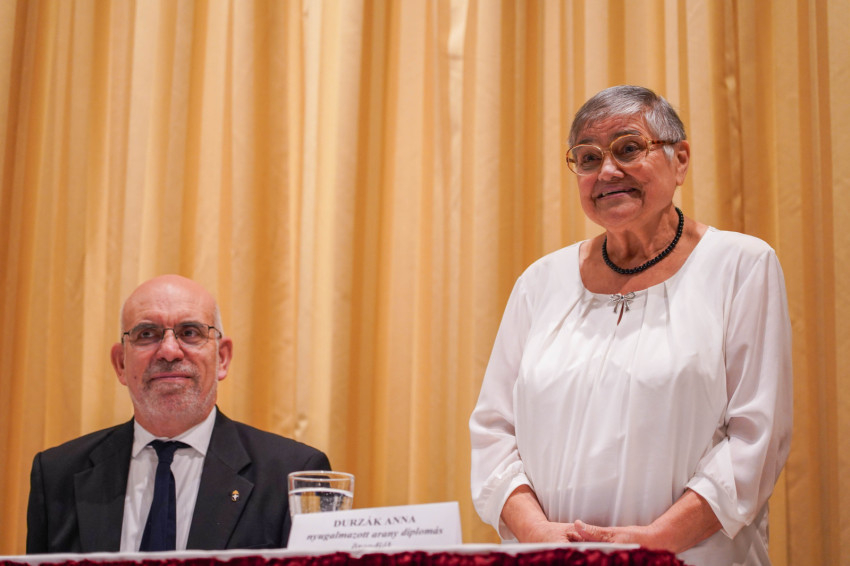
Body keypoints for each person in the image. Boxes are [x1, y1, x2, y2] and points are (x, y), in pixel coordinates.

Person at [469, 86, 792, 566]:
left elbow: (755, 439)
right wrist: (538, 534)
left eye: (628, 149)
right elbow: (493, 431)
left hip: (688, 557)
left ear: (680, 161)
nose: (607, 172)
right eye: (588, 157)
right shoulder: (540, 282)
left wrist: (653, 543)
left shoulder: (741, 265)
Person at [27, 275, 331, 553]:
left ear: (222, 358)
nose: (169, 351)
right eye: (147, 334)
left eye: (190, 332)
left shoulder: (292, 475)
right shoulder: (57, 475)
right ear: (120, 364)